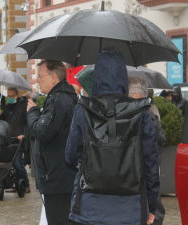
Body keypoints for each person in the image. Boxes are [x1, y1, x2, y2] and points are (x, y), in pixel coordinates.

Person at [66, 51, 159, 225]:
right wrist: (152, 205)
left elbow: (70, 156)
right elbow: (150, 163)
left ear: (96, 77)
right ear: (123, 78)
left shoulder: (83, 109)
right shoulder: (141, 111)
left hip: (89, 206)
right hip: (130, 207)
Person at [27, 60, 77, 225]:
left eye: (41, 76)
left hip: (57, 176)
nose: (38, 80)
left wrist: (33, 111)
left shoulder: (59, 99)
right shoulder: (63, 97)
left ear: (54, 77)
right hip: (61, 175)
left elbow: (42, 131)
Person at [129, 76, 166, 225]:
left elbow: (160, 140)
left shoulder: (147, 116)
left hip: (143, 174)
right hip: (143, 174)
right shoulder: (147, 114)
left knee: (153, 209)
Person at [0, 87, 31, 193]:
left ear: (17, 95)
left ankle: (26, 184)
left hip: (19, 138)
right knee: (12, 164)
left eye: (11, 96)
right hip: (9, 138)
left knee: (18, 163)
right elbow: (4, 121)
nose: (10, 98)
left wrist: (24, 135)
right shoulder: (7, 107)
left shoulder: (24, 106)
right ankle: (17, 185)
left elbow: (28, 122)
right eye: (8, 96)